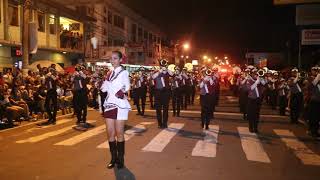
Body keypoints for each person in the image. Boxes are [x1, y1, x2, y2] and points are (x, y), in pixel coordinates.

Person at [101, 51, 131, 169]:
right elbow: (104, 89)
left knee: (119, 132)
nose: (112, 60)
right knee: (110, 132)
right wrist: (102, 83)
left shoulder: (124, 72)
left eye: (115, 58)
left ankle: (120, 159)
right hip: (109, 104)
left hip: (120, 104)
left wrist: (122, 91)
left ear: (120, 60)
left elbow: (127, 86)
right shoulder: (109, 73)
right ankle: (113, 158)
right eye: (111, 58)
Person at [152, 59, 173, 128]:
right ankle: (159, 123)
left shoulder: (167, 72)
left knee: (165, 108)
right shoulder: (157, 71)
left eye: (164, 64)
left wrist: (166, 69)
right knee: (158, 109)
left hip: (166, 92)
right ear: (160, 65)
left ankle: (165, 123)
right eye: (162, 64)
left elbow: (172, 74)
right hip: (158, 92)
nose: (163, 65)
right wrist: (159, 71)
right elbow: (153, 77)